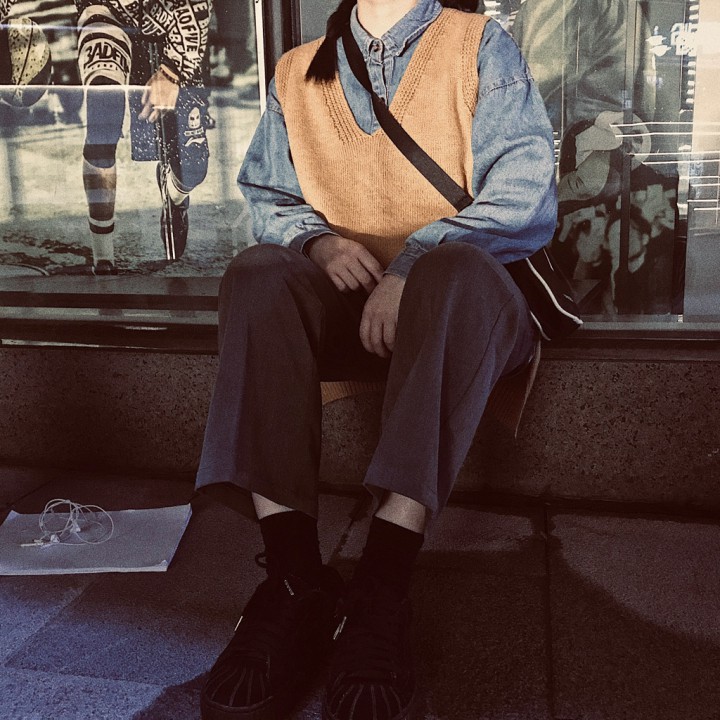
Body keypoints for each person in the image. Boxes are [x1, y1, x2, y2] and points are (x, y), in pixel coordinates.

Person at [195, 0, 556, 718]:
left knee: (452, 274)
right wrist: (319, 243)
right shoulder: (299, 69)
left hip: (468, 305)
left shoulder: (478, 44)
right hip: (351, 304)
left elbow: (523, 195)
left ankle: (381, 589)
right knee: (258, 275)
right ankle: (294, 579)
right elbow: (267, 193)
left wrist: (413, 264)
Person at [75, 0, 212, 274]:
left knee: (193, 168)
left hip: (175, 22)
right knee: (103, 112)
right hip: (106, 10)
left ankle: (175, 196)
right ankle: (103, 259)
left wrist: (173, 70)